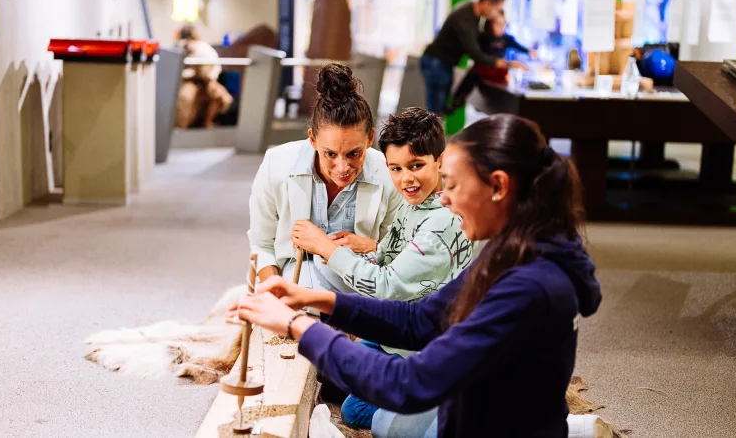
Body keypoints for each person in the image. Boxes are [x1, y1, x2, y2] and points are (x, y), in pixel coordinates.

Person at [238, 113, 602, 437]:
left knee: (383, 417)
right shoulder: (512, 252)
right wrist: (315, 301)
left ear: (499, 186)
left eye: (454, 185)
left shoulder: (530, 285)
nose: (443, 199)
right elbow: (423, 318)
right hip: (478, 408)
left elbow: (409, 384)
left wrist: (298, 326)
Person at [289, 107, 473, 430]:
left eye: (416, 166)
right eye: (396, 168)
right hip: (398, 330)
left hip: (421, 341)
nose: (406, 179)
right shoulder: (412, 203)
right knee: (343, 390)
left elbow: (387, 284)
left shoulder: (441, 225)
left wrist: (328, 248)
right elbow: (387, 255)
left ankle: (439, 400)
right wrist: (356, 250)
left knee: (370, 420)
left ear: (440, 161)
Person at [238, 63, 404, 295]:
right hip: (295, 281)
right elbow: (262, 244)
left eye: (354, 153)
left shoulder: (389, 174)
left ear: (370, 139)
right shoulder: (276, 165)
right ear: (312, 140)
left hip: (365, 284)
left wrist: (372, 246)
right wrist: (278, 296)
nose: (342, 167)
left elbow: (401, 254)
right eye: (330, 154)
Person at [419, 0, 526, 115]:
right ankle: (429, 133)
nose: (496, 13)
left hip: (443, 63)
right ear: (487, 3)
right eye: (496, 8)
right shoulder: (464, 19)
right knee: (435, 111)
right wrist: (508, 64)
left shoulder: (473, 13)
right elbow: (475, 54)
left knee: (438, 107)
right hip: (437, 63)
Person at [445, 11, 537, 114]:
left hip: (498, 73)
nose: (501, 27)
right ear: (490, 24)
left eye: (503, 24)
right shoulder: (483, 38)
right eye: (497, 23)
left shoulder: (506, 39)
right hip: (483, 71)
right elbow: (476, 54)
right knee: (472, 76)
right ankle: (456, 101)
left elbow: (518, 46)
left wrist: (529, 52)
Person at [175, 24, 233, 128]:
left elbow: (214, 67)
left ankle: (207, 122)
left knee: (223, 98)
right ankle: (181, 126)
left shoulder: (203, 48)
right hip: (189, 81)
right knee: (185, 99)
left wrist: (209, 77)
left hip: (207, 80)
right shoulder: (181, 47)